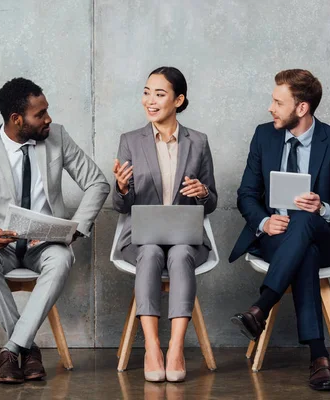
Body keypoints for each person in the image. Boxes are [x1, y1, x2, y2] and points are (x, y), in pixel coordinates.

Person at [229, 69, 330, 391]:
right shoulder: (264, 136)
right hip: (276, 238)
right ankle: (319, 357)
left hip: (328, 237)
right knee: (304, 251)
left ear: (302, 107)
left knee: (306, 219)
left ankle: (260, 308)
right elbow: (247, 195)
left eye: (278, 102)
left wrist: (321, 207)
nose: (271, 108)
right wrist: (265, 222)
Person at [0, 77, 109, 383]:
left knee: (62, 259)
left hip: (47, 243)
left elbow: (98, 182)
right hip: (5, 246)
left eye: (47, 111)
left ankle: (11, 349)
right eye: (39, 114)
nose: (48, 119)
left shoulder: (58, 138)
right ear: (16, 120)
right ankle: (26, 351)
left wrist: (75, 229)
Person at [113, 66, 217, 382]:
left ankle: (175, 348)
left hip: (186, 236)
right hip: (141, 239)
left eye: (159, 94)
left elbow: (211, 202)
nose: (150, 101)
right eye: (147, 92)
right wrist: (121, 188)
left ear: (179, 100)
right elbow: (120, 206)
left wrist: (203, 192)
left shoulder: (198, 142)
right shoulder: (130, 141)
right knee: (150, 253)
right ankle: (153, 348)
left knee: (182, 253)